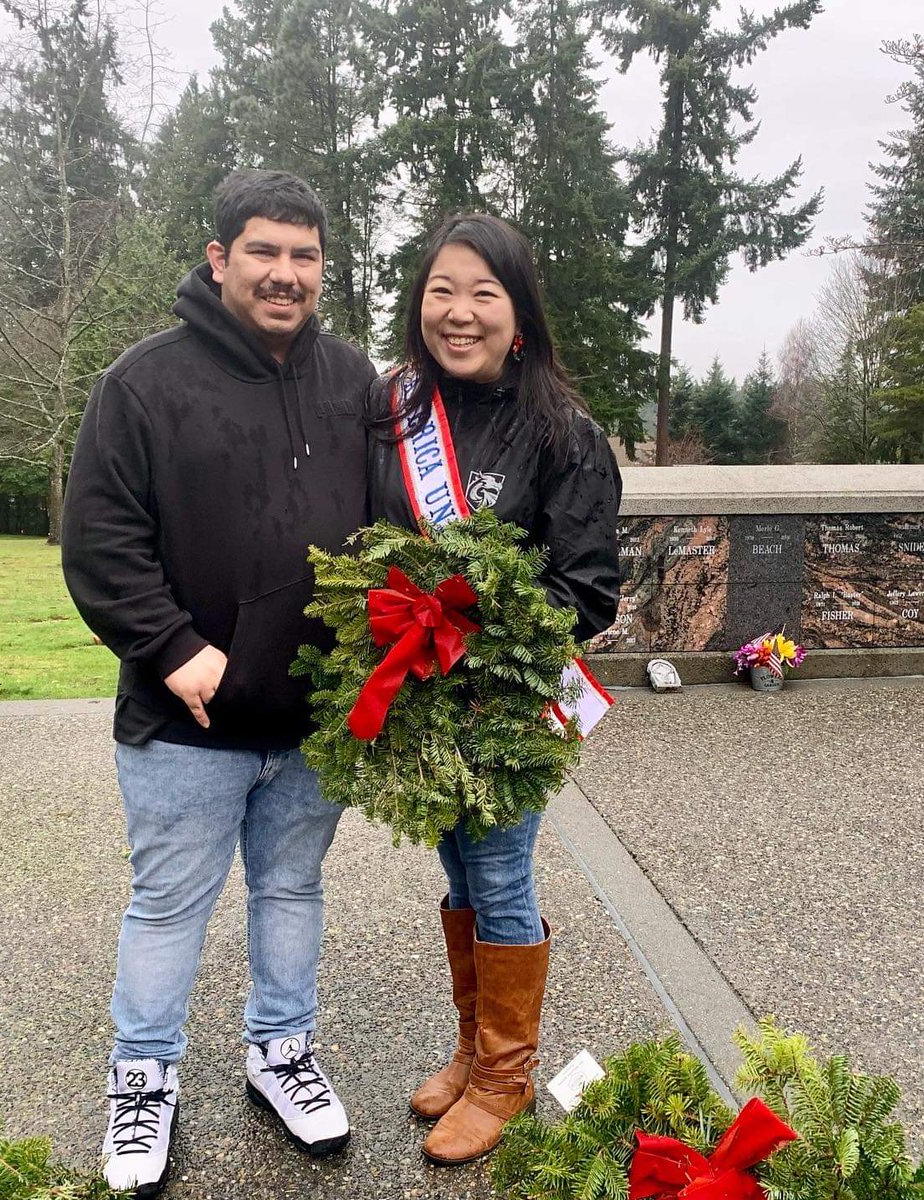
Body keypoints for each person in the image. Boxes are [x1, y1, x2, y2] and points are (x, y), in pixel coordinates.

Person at [61, 168, 375, 1194]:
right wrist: (169, 644)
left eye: (304, 256)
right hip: (184, 718)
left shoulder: (353, 381)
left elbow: (389, 531)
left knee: (292, 888)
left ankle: (280, 1054)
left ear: (323, 268)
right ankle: (143, 1079)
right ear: (219, 258)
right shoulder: (142, 384)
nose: (285, 275)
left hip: (313, 720)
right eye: (264, 253)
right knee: (169, 904)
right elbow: (101, 541)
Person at [367, 213, 622, 1166]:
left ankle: (507, 1077)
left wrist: (472, 643)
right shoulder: (394, 412)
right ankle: (473, 1049)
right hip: (420, 700)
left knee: (503, 875)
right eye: (442, 290)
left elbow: (586, 588)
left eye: (483, 293)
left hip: (510, 708)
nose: (458, 312)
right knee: (460, 871)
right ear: (418, 302)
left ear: (520, 316)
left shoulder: (564, 432)